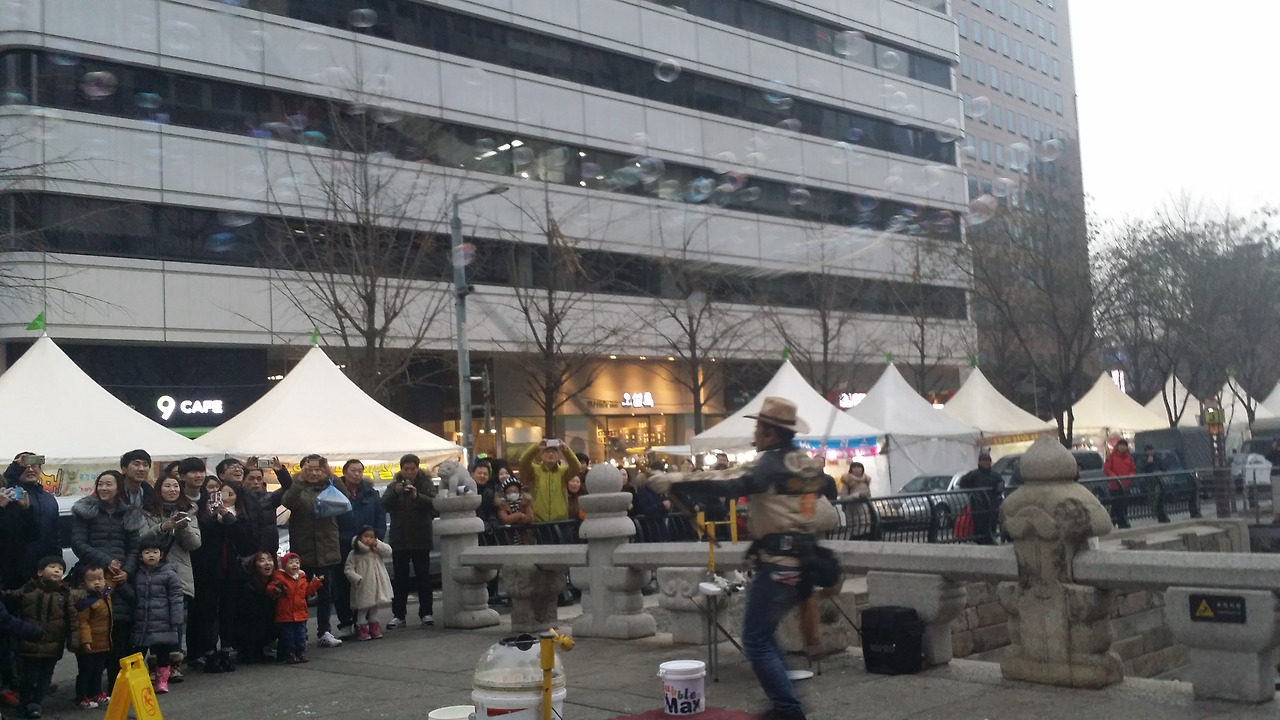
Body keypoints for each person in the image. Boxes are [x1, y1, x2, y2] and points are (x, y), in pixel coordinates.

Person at [639, 396, 837, 720]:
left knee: (755, 639)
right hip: (801, 560)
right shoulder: (802, 462)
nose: (755, 434)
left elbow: (728, 481)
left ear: (771, 433)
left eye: (759, 428)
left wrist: (676, 479)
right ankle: (786, 703)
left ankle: (788, 709)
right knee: (763, 634)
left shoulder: (769, 464)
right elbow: (820, 491)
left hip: (778, 563)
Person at [70, 470, 144, 692]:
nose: (103, 488)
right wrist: (106, 561)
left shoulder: (129, 514)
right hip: (92, 580)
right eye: (100, 484)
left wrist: (126, 572)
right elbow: (78, 543)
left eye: (108, 484)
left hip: (120, 582)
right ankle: (88, 690)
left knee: (119, 634)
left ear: (118, 487)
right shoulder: (86, 511)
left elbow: (134, 549)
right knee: (94, 634)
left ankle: (117, 688)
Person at [138, 476, 200, 684]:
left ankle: (174, 664)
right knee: (154, 619)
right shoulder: (146, 512)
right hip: (152, 573)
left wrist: (184, 526)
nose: (172, 489)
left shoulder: (189, 511)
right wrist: (163, 527)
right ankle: (155, 664)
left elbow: (194, 544)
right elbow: (141, 540)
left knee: (176, 619)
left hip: (178, 573)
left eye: (176, 486)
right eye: (167, 486)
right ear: (159, 489)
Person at [280, 455, 343, 648]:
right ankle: (301, 632)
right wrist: (300, 480)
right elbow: (288, 501)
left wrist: (330, 473)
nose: (315, 473)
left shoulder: (330, 485)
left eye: (318, 469)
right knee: (300, 594)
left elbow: (345, 497)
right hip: (304, 547)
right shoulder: (297, 486)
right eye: (310, 469)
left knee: (326, 593)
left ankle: (324, 631)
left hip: (327, 546)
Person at [7, 556, 77, 719]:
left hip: (53, 645)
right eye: (52, 567)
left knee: (45, 678)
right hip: (29, 644)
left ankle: (36, 704)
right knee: (28, 677)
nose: (57, 570)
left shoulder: (65, 594)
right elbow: (11, 598)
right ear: (40, 572)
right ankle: (25, 704)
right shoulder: (29, 589)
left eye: (60, 569)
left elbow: (72, 620)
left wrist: (74, 641)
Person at [197, 482, 255, 672]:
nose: (226, 497)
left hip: (232, 571)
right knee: (209, 613)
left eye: (231, 494)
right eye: (222, 493)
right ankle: (209, 654)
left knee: (228, 613)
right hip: (211, 570)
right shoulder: (207, 513)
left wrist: (229, 518)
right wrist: (213, 515)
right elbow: (203, 535)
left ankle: (226, 652)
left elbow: (246, 541)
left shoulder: (241, 516)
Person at [381, 454, 438, 629]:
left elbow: (435, 504)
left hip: (421, 537)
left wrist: (416, 496)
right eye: (406, 469)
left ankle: (426, 613)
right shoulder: (394, 485)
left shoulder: (426, 484)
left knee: (423, 577)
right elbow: (384, 504)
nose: (409, 472)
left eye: (412, 469)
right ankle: (399, 615)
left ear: (417, 468)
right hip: (400, 538)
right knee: (400, 579)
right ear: (401, 469)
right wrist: (396, 492)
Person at [333, 460, 386, 639]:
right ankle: (346, 622)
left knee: (365, 585)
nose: (357, 474)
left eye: (359, 471)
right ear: (345, 472)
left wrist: (376, 538)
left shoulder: (371, 493)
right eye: (353, 470)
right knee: (342, 585)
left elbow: (380, 517)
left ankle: (364, 622)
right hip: (343, 544)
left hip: (367, 547)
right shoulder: (335, 492)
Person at [130, 538, 184, 693]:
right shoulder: (136, 574)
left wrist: (176, 618)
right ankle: (138, 682)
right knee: (138, 654)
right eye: (147, 552)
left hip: (163, 622)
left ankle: (162, 682)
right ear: (140, 556)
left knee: (163, 655)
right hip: (141, 621)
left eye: (155, 552)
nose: (151, 555)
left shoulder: (169, 574)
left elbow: (176, 597)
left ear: (161, 555)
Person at [3, 453, 60, 589]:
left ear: (40, 469)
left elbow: (55, 535)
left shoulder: (49, 499)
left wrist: (57, 561)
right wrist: (15, 466)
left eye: (34, 466)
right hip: (13, 569)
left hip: (43, 567)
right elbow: (5, 481)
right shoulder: (8, 495)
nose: (30, 470)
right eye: (25, 467)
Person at [267, 553, 324, 664]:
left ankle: (300, 653)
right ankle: (290, 654)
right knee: (289, 636)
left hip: (300, 613)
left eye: (297, 563)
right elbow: (270, 587)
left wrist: (316, 583)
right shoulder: (280, 577)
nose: (295, 565)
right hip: (286, 614)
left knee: (301, 635)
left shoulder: (302, 578)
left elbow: (307, 591)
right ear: (284, 565)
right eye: (291, 563)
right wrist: (274, 589)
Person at [72, 566, 116, 709]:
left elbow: (112, 581)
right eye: (91, 580)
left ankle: (96, 692)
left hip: (103, 641)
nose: (97, 583)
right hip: (89, 643)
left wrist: (114, 568)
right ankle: (81, 696)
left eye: (100, 579)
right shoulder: (84, 601)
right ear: (84, 583)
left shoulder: (105, 594)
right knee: (86, 670)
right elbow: (82, 622)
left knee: (98, 670)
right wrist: (85, 640)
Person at [343, 526, 393, 641]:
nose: (368, 539)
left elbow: (388, 551)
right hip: (363, 585)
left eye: (371, 537)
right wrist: (357, 579)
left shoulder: (376, 550)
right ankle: (362, 629)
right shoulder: (354, 553)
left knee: (374, 607)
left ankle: (374, 628)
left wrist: (378, 544)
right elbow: (348, 569)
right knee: (363, 608)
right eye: (366, 536)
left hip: (376, 585)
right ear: (359, 537)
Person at [519, 439, 582, 522]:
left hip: (560, 520)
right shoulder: (535, 470)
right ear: (542, 456)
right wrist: (536, 448)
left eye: (554, 452)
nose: (551, 454)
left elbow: (577, 467)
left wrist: (566, 450)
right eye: (547, 452)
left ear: (559, 456)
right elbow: (523, 461)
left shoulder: (563, 472)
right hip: (538, 520)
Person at [242, 456, 292, 555]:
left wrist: (280, 471)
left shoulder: (270, 498)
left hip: (269, 548)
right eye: (251, 478)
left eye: (259, 479)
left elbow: (288, 487)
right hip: (247, 549)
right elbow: (232, 486)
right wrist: (245, 470)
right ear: (243, 481)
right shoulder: (238, 497)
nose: (256, 482)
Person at [236, 552, 279, 664]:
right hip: (247, 627)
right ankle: (248, 651)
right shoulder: (248, 586)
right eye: (262, 561)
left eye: (269, 560)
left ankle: (259, 650)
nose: (267, 563)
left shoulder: (275, 584)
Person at [957, 452, 1002, 544]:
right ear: (979, 462)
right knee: (979, 522)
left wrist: (999, 489)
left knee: (992, 521)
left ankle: (991, 538)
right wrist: (971, 493)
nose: (986, 463)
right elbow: (962, 483)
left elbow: (1001, 482)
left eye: (988, 461)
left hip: (992, 504)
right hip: (978, 504)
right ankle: (980, 539)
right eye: (984, 461)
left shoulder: (995, 475)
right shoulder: (973, 475)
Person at [1104, 439, 1136, 529]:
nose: (1122, 447)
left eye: (1124, 446)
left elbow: (1132, 469)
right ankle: (1115, 520)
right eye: (1121, 445)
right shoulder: (1111, 457)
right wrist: (1114, 477)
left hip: (1126, 485)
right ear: (1117, 446)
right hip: (1115, 485)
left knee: (1124, 504)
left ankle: (1123, 520)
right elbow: (1107, 469)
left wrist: (1130, 476)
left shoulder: (1129, 457)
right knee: (1116, 504)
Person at [494, 476, 534, 544]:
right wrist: (520, 515)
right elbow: (505, 519)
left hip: (525, 540)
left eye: (515, 491)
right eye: (510, 492)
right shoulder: (502, 505)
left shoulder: (525, 503)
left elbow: (530, 518)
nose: (513, 494)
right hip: (508, 540)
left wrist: (513, 519)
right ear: (505, 493)